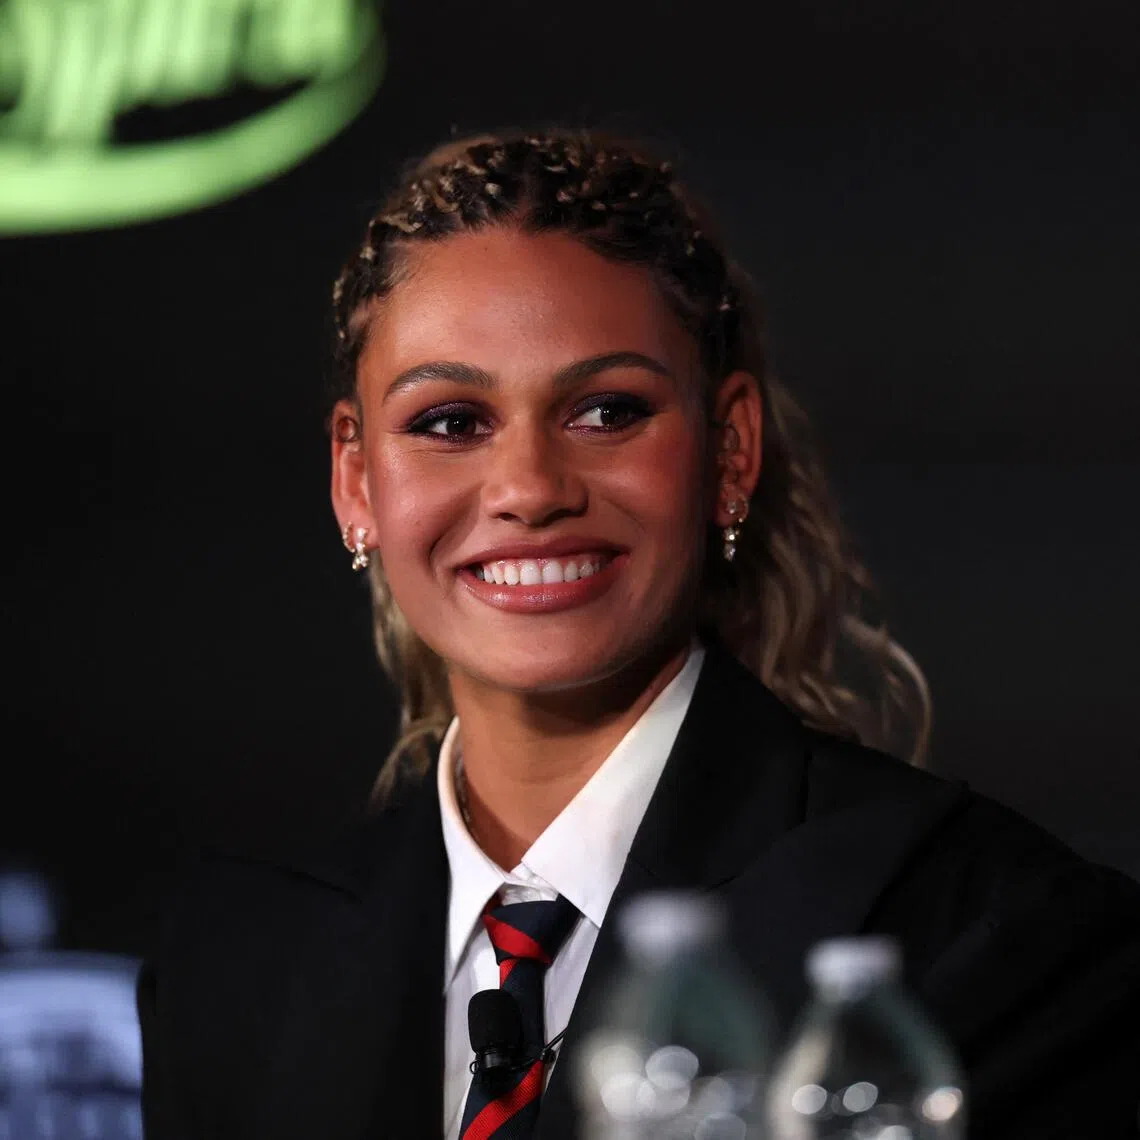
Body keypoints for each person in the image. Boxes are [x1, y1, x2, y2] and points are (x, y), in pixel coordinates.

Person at [136, 130, 1140, 1140]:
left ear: (731, 449)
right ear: (357, 481)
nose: (529, 489)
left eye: (607, 411)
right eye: (449, 422)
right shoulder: (231, 974)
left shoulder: (989, 936)